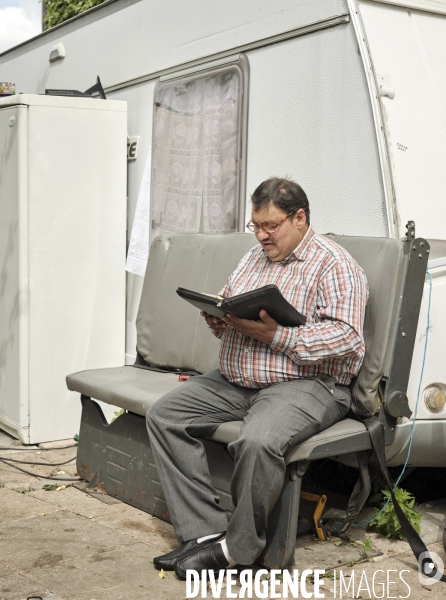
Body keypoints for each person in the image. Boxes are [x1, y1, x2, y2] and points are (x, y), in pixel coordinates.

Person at [146, 177, 369, 579]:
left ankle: (238, 550)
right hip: (236, 381)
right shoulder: (253, 259)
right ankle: (204, 532)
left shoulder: (336, 265)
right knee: (164, 414)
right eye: (256, 226)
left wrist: (278, 336)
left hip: (306, 385)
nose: (262, 236)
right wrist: (220, 319)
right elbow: (233, 304)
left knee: (259, 440)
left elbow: (348, 338)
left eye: (271, 226)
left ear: (299, 218)